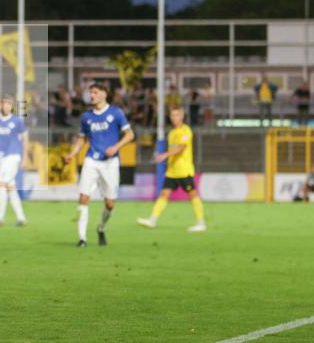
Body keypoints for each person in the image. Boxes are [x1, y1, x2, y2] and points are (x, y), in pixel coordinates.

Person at [64, 82, 134, 247]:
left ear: (104, 94)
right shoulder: (86, 117)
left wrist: (115, 147)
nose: (92, 95)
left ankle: (101, 228)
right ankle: (82, 238)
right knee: (83, 198)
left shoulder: (116, 113)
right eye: (91, 93)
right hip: (91, 161)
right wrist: (72, 154)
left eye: (95, 92)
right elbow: (81, 139)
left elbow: (130, 135)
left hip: (110, 163)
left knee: (110, 203)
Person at [137, 107, 207, 232]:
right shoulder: (172, 133)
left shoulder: (185, 130)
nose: (174, 117)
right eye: (172, 115)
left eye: (177, 115)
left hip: (184, 171)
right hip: (172, 172)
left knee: (193, 195)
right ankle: (152, 220)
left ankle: (201, 223)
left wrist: (164, 155)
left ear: (182, 116)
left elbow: (181, 148)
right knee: (164, 194)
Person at [0, 95, 29, 227]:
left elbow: (25, 139)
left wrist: (25, 156)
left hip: (13, 156)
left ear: (12, 106)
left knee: (0, 183)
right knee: (11, 187)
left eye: (9, 104)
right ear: (1, 104)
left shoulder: (17, 121)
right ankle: (21, 218)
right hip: (0, 158)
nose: (7, 106)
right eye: (4, 103)